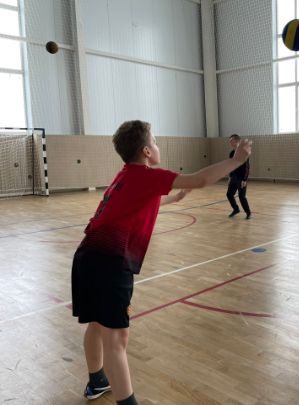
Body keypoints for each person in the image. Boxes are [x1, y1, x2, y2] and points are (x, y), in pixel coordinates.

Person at [71, 120, 251, 405]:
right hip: (110, 263)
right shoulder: (146, 175)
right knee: (116, 339)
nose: (157, 146)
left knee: (97, 323)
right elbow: (200, 179)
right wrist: (236, 160)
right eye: (154, 142)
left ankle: (97, 382)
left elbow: (141, 202)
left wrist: (175, 199)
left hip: (86, 257)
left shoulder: (124, 175)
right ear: (146, 151)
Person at [226, 134, 251, 219]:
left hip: (241, 178)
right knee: (229, 194)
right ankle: (236, 209)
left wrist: (244, 180)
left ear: (237, 141)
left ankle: (248, 212)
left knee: (241, 196)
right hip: (234, 177)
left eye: (231, 140)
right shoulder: (231, 153)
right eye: (229, 141)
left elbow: (247, 167)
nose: (230, 142)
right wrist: (230, 177)